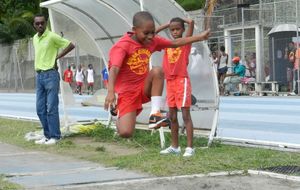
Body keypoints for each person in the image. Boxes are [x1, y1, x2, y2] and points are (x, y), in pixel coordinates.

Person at [104, 11, 210, 138]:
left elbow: (174, 43)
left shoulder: (152, 41)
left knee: (157, 71)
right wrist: (110, 92)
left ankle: (155, 114)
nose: (150, 36)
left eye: (153, 32)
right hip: (127, 92)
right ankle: (119, 114)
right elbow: (114, 69)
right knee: (126, 132)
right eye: (146, 33)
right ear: (134, 30)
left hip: (144, 87)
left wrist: (200, 37)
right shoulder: (122, 46)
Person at [155, 17, 196, 157]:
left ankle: (190, 148)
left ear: (183, 30)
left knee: (185, 115)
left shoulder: (185, 43)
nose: (175, 32)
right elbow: (153, 34)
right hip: (170, 82)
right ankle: (175, 146)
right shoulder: (167, 44)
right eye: (172, 30)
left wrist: (181, 20)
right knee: (172, 116)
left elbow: (191, 23)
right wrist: (168, 23)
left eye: (178, 29)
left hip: (181, 81)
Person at [33, 13, 75, 145]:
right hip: (39, 76)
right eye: (37, 23)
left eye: (42, 23)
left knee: (51, 107)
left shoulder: (51, 36)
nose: (40, 25)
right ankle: (47, 135)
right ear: (34, 25)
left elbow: (70, 44)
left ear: (46, 23)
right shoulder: (35, 38)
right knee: (40, 109)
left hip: (50, 75)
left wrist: (57, 57)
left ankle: (55, 136)